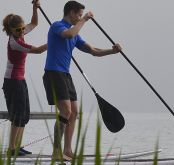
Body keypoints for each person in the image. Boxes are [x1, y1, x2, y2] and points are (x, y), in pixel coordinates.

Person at [43, 0, 122, 161]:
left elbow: (94, 51)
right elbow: (69, 34)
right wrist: (84, 19)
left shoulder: (76, 34)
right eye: (78, 15)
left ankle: (68, 150)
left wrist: (112, 51)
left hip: (65, 75)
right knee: (65, 111)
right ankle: (56, 152)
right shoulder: (57, 26)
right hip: (53, 73)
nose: (79, 17)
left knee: (74, 113)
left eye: (81, 15)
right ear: (71, 12)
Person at [0, 0, 48, 156]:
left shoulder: (20, 32)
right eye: (18, 30)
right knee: (18, 115)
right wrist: (55, 40)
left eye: (22, 29)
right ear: (11, 30)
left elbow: (34, 23)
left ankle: (17, 147)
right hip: (12, 82)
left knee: (24, 115)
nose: (22, 32)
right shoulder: (15, 43)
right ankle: (11, 148)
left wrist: (35, 7)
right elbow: (40, 50)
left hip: (20, 80)